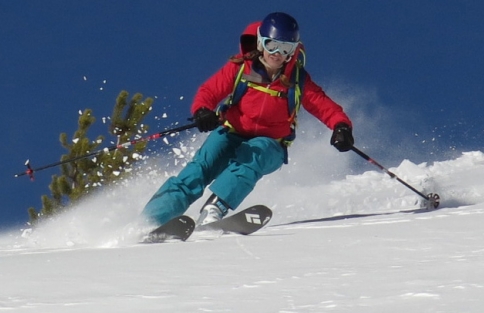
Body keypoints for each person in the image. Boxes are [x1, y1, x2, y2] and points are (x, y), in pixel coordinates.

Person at [141, 12, 354, 228]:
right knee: (200, 169)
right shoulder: (241, 68)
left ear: (294, 50)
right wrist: (203, 111)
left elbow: (324, 106)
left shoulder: (297, 80)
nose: (277, 53)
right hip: (232, 132)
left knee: (251, 156)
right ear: (261, 42)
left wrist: (341, 126)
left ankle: (214, 208)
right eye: (272, 45)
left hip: (271, 144)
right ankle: (150, 219)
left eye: (286, 48)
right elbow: (209, 91)